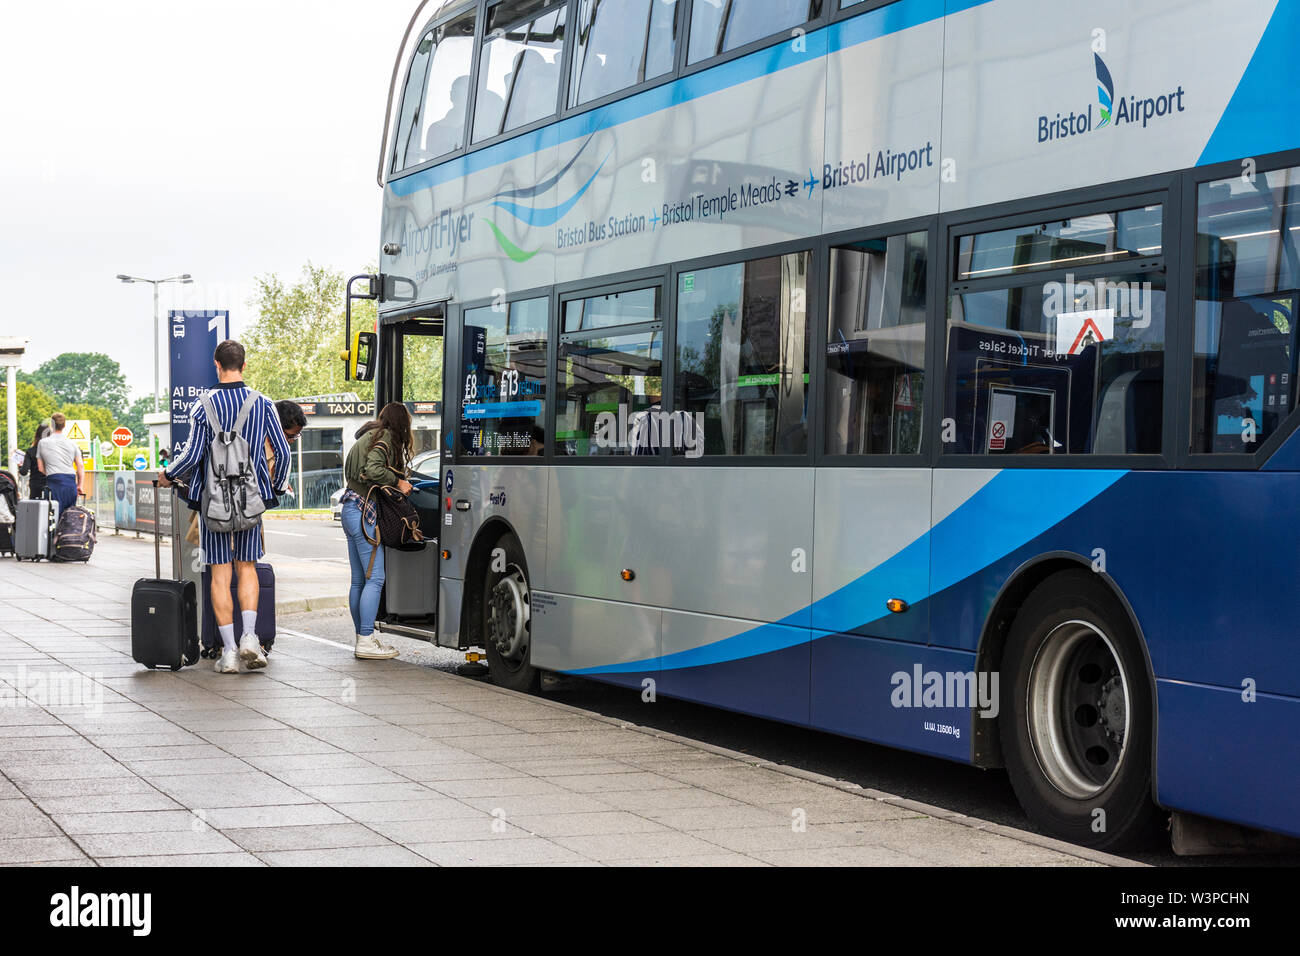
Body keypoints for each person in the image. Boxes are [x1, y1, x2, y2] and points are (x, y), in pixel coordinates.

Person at [160, 340, 291, 675]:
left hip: (213, 502)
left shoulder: (202, 405)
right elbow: (285, 453)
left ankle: (229, 653)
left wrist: (167, 474)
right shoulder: (262, 403)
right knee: (247, 566)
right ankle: (250, 637)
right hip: (250, 499)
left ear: (216, 364)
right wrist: (273, 489)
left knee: (220, 573)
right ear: (243, 366)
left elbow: (191, 457)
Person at [341, 402, 413, 660]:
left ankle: (364, 636)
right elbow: (374, 470)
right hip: (364, 513)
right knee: (376, 578)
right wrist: (398, 481)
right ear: (402, 423)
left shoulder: (367, 436)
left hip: (350, 508)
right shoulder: (384, 438)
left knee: (359, 580)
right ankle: (365, 639)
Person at [36, 414, 84, 512]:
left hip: (53, 482)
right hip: (70, 482)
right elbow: (80, 465)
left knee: (53, 515)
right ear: (64, 425)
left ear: (52, 425)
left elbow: (40, 468)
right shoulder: (73, 443)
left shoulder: (42, 443)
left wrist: (51, 473)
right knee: (69, 516)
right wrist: (79, 485)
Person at [19, 423, 50, 500]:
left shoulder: (30, 451)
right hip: (49, 484)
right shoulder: (52, 450)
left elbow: (24, 472)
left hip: (35, 485)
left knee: (34, 508)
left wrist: (20, 466)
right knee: (50, 507)